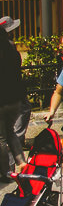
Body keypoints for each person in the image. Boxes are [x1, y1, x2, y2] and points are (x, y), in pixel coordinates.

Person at [0, 18, 24, 167]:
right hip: (15, 100)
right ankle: (21, 161)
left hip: (1, 100)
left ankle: (5, 171)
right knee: (10, 132)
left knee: (1, 137)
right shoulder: (13, 51)